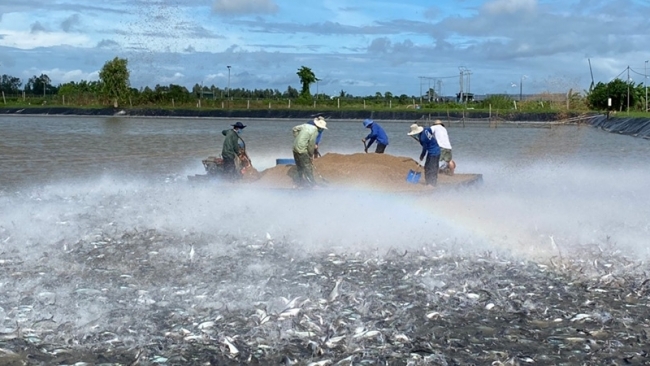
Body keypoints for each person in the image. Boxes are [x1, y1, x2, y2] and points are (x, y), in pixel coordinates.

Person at [292, 117, 328, 187]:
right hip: (302, 150)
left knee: (299, 166)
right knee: (307, 167)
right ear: (319, 127)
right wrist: (311, 155)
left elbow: (294, 129)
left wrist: (297, 138)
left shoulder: (306, 125)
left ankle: (299, 182)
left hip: (295, 148)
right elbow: (311, 145)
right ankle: (313, 184)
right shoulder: (315, 131)